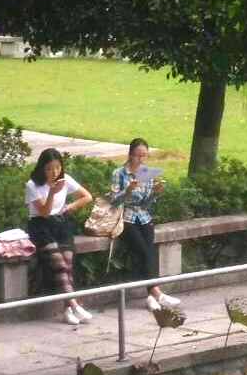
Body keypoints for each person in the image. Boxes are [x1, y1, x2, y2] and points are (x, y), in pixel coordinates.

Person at [26, 149, 95, 325]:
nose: (54, 172)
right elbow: (43, 212)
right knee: (59, 265)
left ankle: (67, 311)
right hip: (41, 226)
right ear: (42, 168)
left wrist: (70, 206)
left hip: (61, 224)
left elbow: (87, 196)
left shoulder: (65, 180)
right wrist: (51, 193)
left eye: (57, 168)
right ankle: (75, 305)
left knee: (68, 265)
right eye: (50, 169)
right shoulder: (33, 185)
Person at [109, 139, 180, 311]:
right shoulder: (119, 173)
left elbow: (145, 204)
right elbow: (113, 201)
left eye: (144, 156)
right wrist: (127, 191)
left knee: (148, 252)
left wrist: (154, 193)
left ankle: (151, 297)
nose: (141, 160)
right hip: (124, 218)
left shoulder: (147, 173)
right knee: (142, 251)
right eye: (137, 156)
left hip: (143, 217)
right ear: (129, 155)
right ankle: (157, 293)